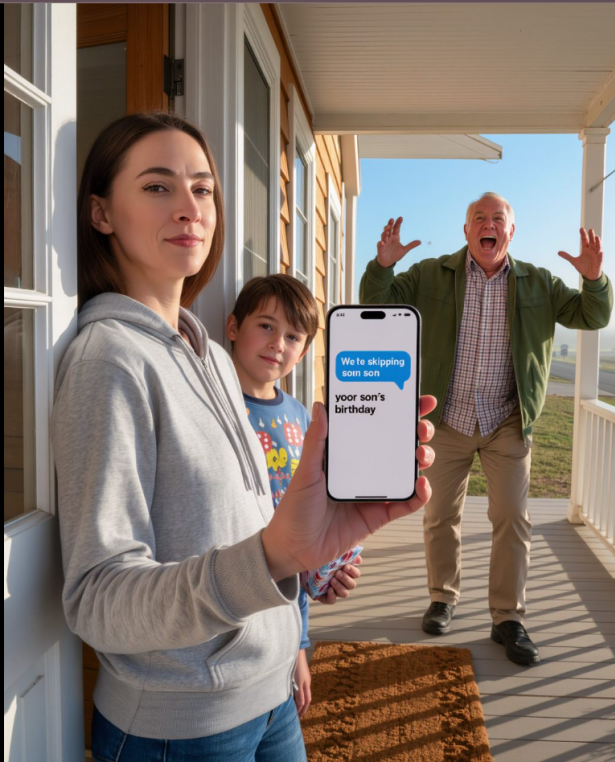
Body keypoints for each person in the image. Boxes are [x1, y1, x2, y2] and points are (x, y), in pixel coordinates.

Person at [51, 111, 435, 761]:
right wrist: (270, 559)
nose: (190, 207)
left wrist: (315, 540)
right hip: (181, 727)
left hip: (272, 692)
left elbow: (238, 524)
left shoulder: (206, 353)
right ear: (101, 213)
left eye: (202, 188)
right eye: (157, 186)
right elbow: (97, 598)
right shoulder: (109, 360)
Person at [359, 192, 613, 665]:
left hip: (507, 421)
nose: (488, 224)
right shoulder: (431, 274)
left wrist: (594, 279)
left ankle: (508, 617)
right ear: (466, 230)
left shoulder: (538, 282)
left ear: (510, 232)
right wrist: (383, 265)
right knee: (440, 515)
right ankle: (442, 597)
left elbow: (592, 314)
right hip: (447, 417)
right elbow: (375, 302)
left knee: (512, 517)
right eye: (479, 217)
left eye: (498, 218)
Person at [226, 272, 363, 720]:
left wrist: (300, 646)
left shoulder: (300, 415)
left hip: (287, 592)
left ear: (302, 353)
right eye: (266, 326)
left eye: (292, 337)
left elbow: (304, 547)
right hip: (232, 584)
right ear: (233, 327)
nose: (277, 344)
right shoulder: (220, 406)